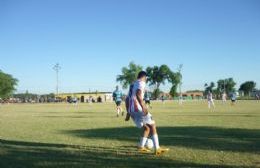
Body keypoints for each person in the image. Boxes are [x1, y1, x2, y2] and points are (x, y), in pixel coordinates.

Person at [125, 71, 169, 156]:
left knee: (146, 128)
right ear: (144, 77)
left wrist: (128, 112)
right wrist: (143, 106)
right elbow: (138, 94)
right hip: (139, 109)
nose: (146, 80)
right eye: (146, 78)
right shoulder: (141, 83)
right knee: (153, 125)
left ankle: (141, 147)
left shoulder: (132, 85)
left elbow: (127, 99)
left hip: (132, 110)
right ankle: (157, 149)